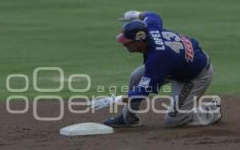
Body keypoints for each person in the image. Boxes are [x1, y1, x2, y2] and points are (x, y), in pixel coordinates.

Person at [92, 10, 222, 128]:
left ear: (139, 40)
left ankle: (212, 110)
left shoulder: (157, 58)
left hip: (195, 76)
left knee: (174, 120)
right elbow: (152, 16)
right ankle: (128, 119)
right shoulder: (150, 29)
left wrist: (115, 99)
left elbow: (142, 92)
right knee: (136, 76)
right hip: (178, 65)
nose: (124, 44)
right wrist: (136, 15)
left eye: (127, 41)